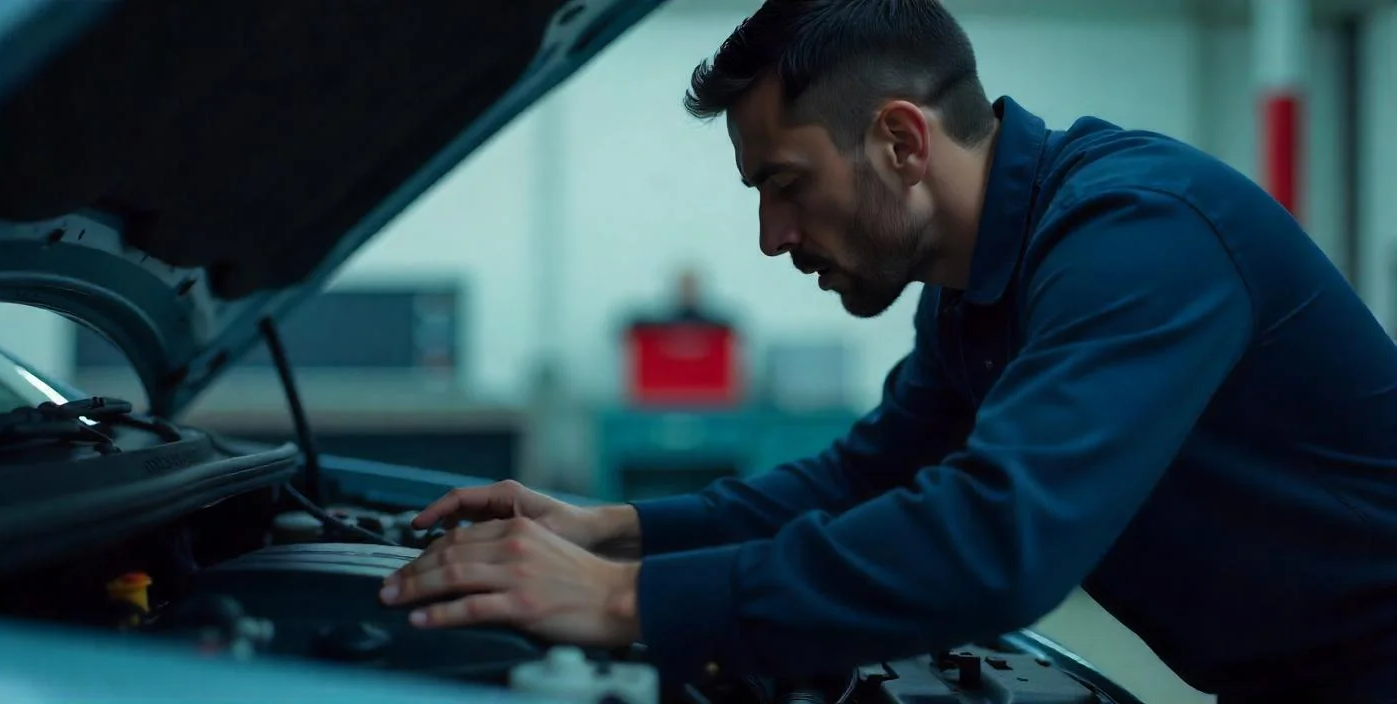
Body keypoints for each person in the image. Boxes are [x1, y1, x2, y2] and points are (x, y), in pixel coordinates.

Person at [379, 1, 1397, 701]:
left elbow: (998, 542)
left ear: (902, 142)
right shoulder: (969, 297)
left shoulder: (1138, 239)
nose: (772, 237)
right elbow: (865, 479)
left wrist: (619, 599)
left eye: (785, 184)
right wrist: (619, 529)